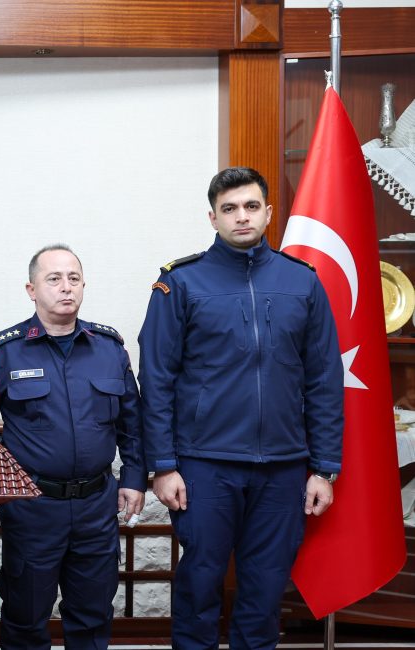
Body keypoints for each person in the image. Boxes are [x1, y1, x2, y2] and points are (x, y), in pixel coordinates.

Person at [138, 167, 344, 649]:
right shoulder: (181, 283)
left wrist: (325, 468)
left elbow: (323, 381)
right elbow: (158, 380)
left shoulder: (303, 282)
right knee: (199, 585)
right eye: (229, 209)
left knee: (265, 591)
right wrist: (163, 466)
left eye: (251, 206)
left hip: (284, 468)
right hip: (204, 466)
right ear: (213, 217)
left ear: (269, 212)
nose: (241, 217)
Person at [0, 244, 145, 650]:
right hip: (33, 507)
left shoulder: (108, 349)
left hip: (96, 505)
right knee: (24, 616)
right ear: (31, 289)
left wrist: (136, 479)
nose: (65, 287)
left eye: (73, 278)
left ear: (84, 285)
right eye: (53, 279)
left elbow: (133, 424)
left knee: (91, 617)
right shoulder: (2, 351)